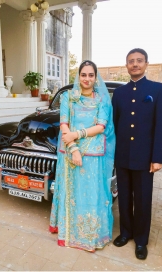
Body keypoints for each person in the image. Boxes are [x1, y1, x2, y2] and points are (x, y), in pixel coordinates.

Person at [49, 60, 115, 252]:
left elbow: (101, 126)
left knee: (90, 193)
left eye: (91, 75)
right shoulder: (68, 97)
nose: (87, 79)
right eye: (83, 75)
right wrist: (74, 149)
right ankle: (68, 232)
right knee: (72, 193)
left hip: (94, 155)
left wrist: (77, 135)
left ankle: (88, 235)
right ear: (78, 76)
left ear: (96, 77)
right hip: (70, 153)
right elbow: (64, 124)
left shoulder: (102, 100)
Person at [112, 48, 162, 260]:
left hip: (145, 158)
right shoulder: (119, 93)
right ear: (126, 65)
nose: (135, 64)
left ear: (146, 64)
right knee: (124, 197)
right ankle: (126, 233)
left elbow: (161, 126)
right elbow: (115, 125)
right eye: (131, 61)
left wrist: (157, 157)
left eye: (139, 61)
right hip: (123, 155)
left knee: (143, 199)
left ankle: (141, 240)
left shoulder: (159, 90)